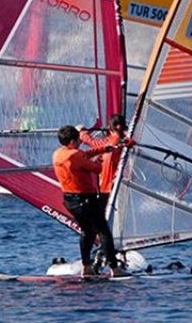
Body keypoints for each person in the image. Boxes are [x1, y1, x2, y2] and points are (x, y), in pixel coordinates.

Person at [53, 125, 125, 277]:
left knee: (87, 232)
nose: (80, 140)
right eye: (78, 139)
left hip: (69, 201)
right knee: (103, 231)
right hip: (85, 199)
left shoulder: (58, 153)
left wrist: (104, 149)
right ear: (73, 141)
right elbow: (97, 169)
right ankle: (115, 268)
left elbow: (82, 154)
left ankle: (86, 266)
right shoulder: (76, 155)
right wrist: (100, 159)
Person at [79, 115, 129, 209]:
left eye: (109, 126)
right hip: (113, 185)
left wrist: (81, 133)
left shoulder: (113, 140)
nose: (107, 128)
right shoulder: (123, 140)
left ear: (117, 126)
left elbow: (94, 143)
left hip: (109, 187)